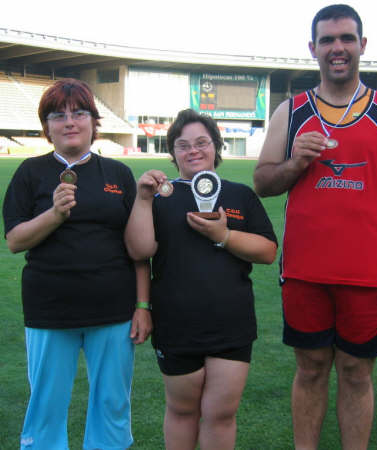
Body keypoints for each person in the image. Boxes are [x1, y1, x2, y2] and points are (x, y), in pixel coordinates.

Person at [253, 4, 377, 449]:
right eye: (327, 40)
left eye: (346, 38)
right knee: (309, 368)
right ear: (312, 48)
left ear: (362, 45)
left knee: (356, 372)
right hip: (305, 272)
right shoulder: (291, 112)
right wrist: (296, 162)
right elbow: (263, 182)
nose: (337, 48)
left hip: (368, 277)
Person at [2, 78, 152, 450]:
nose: (70, 121)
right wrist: (54, 214)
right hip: (49, 311)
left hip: (113, 310)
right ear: (47, 127)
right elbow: (15, 240)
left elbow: (137, 249)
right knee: (46, 405)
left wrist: (143, 306)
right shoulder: (29, 172)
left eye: (79, 113)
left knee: (112, 403)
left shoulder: (118, 174)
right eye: (58, 115)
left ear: (93, 122)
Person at [124, 108, 277, 450]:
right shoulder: (159, 197)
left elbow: (268, 251)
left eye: (201, 142)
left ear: (216, 147)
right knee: (181, 410)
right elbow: (139, 250)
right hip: (176, 325)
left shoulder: (240, 195)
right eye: (183, 144)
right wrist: (143, 198)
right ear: (173, 153)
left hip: (231, 324)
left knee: (221, 414)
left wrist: (224, 235)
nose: (193, 150)